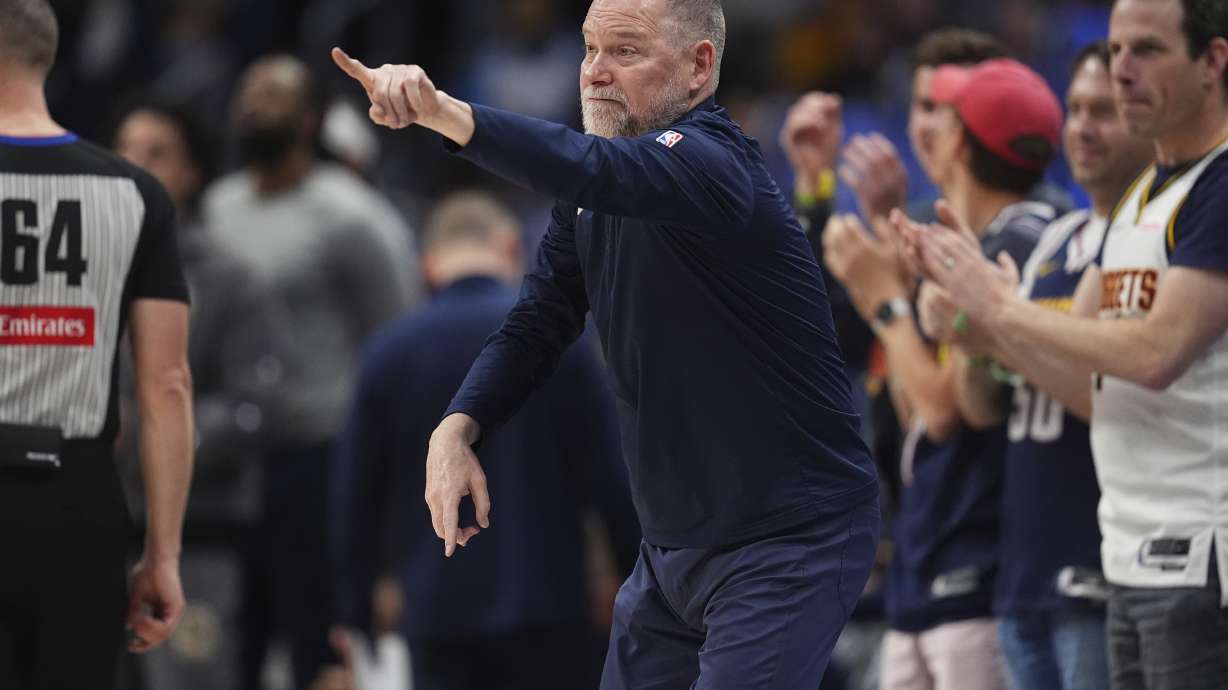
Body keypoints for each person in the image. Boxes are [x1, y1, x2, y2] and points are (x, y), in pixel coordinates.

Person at [332, 0, 882, 686]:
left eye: (625, 52)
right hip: (671, 550)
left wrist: (442, 111)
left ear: (697, 68)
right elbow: (538, 320)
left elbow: (590, 166)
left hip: (790, 538)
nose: (594, 73)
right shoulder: (592, 200)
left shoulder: (713, 165)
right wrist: (458, 425)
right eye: (590, 49)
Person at [904, 0, 1228, 687]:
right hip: (1126, 552)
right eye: (1116, 52)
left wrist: (996, 310)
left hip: (1201, 555)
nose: (1123, 72)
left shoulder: (1220, 185)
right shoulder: (1139, 199)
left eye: (1146, 50)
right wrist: (970, 320)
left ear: (1213, 61)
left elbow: (1153, 354)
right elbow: (1071, 371)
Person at [331, 190, 640, 690]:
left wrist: (356, 610)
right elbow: (611, 476)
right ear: (511, 247)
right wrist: (634, 580)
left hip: (435, 611)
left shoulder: (387, 355)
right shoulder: (565, 346)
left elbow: (355, 497)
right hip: (548, 602)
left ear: (427, 265)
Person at [916, 42, 1153, 690]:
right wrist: (967, 330)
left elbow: (1099, 394)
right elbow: (981, 406)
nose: (1082, 127)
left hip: (1095, 569)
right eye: (1075, 109)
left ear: (1146, 114)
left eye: (1103, 111)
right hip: (1023, 573)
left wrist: (997, 325)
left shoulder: (1147, 242)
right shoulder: (1055, 241)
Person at [822, 57, 1063, 690]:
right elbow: (911, 411)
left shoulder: (1012, 242)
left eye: (940, 113)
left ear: (959, 139)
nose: (924, 129)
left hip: (977, 560)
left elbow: (941, 409)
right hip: (934, 559)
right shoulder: (984, 240)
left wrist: (887, 302)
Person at [201, 54, 419, 690]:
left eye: (273, 94)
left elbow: (397, 338)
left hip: (322, 451)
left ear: (310, 117)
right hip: (232, 458)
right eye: (248, 92)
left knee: (315, 638)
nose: (254, 106)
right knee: (228, 638)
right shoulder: (216, 210)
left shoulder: (352, 216)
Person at [0, 1, 192, 688]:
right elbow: (166, 383)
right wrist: (162, 554)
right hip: (75, 502)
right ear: (44, 60)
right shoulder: (135, 193)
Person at [115, 101, 283, 690]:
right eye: (126, 150)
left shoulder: (230, 278)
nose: (135, 165)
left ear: (192, 173)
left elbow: (255, 408)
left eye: (156, 152)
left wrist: (153, 437)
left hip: (201, 534)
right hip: (97, 528)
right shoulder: (90, 264)